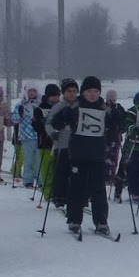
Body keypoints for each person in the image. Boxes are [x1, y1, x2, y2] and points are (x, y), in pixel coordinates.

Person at [49, 76, 120, 237]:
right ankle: (74, 220)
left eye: (96, 91)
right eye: (89, 91)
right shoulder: (76, 106)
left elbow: (115, 129)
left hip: (98, 155)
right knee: (77, 188)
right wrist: (64, 115)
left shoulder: (103, 107)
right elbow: (56, 123)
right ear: (83, 92)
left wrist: (117, 118)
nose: (93, 94)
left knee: (98, 189)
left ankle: (101, 221)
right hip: (78, 154)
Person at [48, 78, 80, 206]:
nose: (72, 94)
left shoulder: (80, 106)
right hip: (62, 144)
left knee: (75, 171)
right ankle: (59, 197)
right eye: (69, 91)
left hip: (77, 144)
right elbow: (49, 123)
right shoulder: (59, 106)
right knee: (61, 171)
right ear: (63, 93)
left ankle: (74, 196)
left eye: (74, 91)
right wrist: (52, 133)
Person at [12, 88, 41, 188]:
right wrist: (19, 114)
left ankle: (40, 180)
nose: (32, 93)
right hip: (26, 136)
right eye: (30, 91)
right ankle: (28, 180)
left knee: (38, 161)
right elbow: (14, 120)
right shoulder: (21, 104)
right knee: (28, 160)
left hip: (39, 136)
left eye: (34, 91)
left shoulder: (39, 103)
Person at [102, 88, 127, 198]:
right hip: (106, 137)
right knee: (106, 157)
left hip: (116, 137)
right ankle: (106, 176)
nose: (112, 101)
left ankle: (112, 176)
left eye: (114, 99)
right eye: (110, 99)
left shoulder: (119, 108)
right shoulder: (103, 108)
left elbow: (123, 120)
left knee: (114, 157)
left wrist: (122, 127)